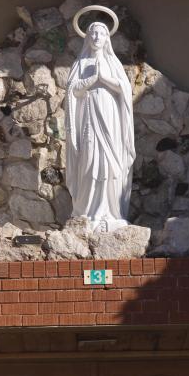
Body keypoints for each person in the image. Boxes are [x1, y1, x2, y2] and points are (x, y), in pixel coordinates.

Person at [65, 20, 135, 233]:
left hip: (111, 119)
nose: (96, 38)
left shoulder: (114, 63)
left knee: (111, 162)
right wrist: (91, 79)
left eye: (100, 34)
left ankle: (112, 212)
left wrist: (104, 78)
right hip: (88, 116)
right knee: (88, 161)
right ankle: (86, 211)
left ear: (107, 39)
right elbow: (72, 91)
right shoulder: (80, 64)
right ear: (87, 38)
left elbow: (124, 89)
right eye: (93, 34)